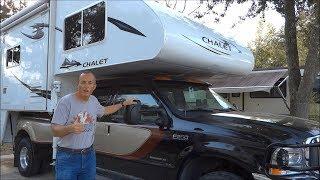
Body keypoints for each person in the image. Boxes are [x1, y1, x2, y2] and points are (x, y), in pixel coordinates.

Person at [51, 71, 135, 180]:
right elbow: (54, 130)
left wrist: (123, 104)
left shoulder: (93, 101)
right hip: (67, 157)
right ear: (78, 85)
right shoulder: (66, 101)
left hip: (88, 156)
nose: (86, 86)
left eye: (90, 83)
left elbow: (105, 110)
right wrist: (70, 128)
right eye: (83, 82)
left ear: (94, 86)